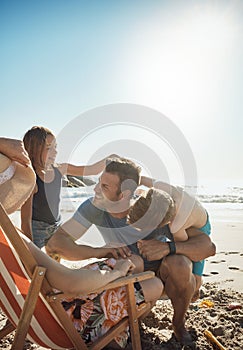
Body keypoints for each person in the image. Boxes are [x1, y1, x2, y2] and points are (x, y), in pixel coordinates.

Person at [0, 150, 163, 348]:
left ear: (125, 194)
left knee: (136, 267)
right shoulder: (10, 236)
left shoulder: (7, 236)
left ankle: (114, 331)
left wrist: (106, 257)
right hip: (66, 316)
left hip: (41, 309)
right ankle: (111, 334)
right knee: (154, 284)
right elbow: (72, 282)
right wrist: (117, 271)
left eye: (103, 185)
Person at [46, 157, 216, 346]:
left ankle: (178, 323)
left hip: (166, 275)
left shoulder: (153, 206)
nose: (95, 190)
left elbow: (208, 247)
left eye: (104, 187)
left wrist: (168, 248)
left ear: (124, 194)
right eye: (98, 183)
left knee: (180, 263)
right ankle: (123, 323)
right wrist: (100, 251)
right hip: (133, 274)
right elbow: (56, 244)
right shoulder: (95, 206)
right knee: (130, 264)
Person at [21, 126, 118, 248]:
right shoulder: (30, 178)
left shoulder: (60, 169)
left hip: (56, 225)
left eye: (55, 147)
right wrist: (30, 247)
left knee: (56, 259)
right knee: (38, 263)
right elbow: (25, 219)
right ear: (34, 150)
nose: (55, 152)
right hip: (37, 230)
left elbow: (90, 170)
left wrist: (110, 158)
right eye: (49, 148)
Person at [128, 180, 212, 296]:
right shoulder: (161, 188)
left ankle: (197, 282)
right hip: (191, 206)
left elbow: (187, 249)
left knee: (195, 268)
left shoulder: (176, 226)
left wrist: (165, 248)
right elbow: (141, 178)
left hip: (200, 223)